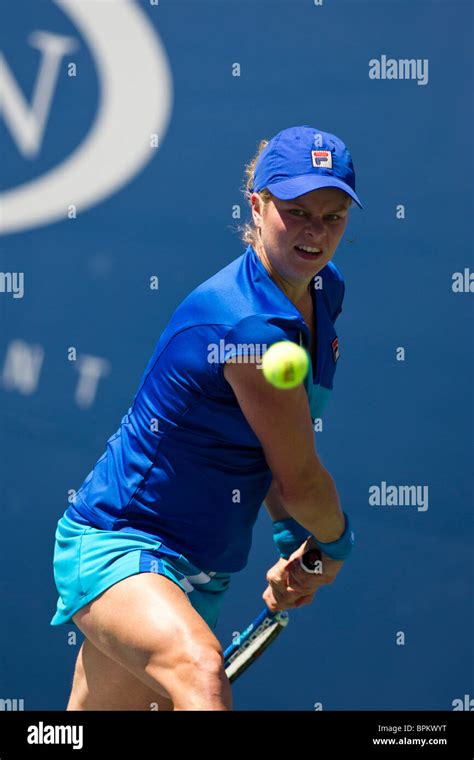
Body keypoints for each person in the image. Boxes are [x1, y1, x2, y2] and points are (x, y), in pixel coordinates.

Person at [50, 124, 362, 711]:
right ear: (257, 204)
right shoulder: (248, 331)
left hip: (202, 571)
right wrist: (336, 544)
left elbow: (265, 451)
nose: (315, 233)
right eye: (295, 211)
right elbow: (299, 479)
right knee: (201, 674)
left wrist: (295, 538)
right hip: (121, 545)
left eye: (333, 215)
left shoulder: (324, 291)